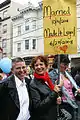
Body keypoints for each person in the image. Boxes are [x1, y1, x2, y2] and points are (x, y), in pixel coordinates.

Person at [29, 55, 62, 120]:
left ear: (46, 66)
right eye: (36, 65)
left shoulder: (50, 79)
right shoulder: (33, 84)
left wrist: (58, 98)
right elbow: (38, 107)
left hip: (53, 115)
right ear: (33, 68)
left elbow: (55, 95)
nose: (39, 67)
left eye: (41, 64)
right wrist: (54, 92)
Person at [49, 54, 80, 120]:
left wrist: (77, 90)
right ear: (58, 63)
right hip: (62, 104)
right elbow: (52, 90)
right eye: (64, 64)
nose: (66, 66)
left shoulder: (67, 74)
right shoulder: (52, 75)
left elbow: (73, 87)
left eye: (67, 64)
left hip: (73, 102)